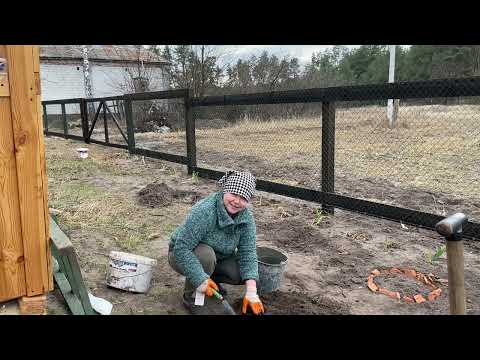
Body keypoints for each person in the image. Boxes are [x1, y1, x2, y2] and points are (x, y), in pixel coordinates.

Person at [168, 170, 265, 315]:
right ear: (225, 190)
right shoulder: (205, 211)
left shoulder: (246, 219)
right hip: (181, 254)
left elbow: (248, 253)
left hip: (218, 257)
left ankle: (210, 281)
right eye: (234, 194)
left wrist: (251, 292)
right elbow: (181, 248)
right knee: (206, 256)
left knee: (242, 272)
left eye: (243, 198)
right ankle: (192, 296)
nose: (237, 201)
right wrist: (200, 279)